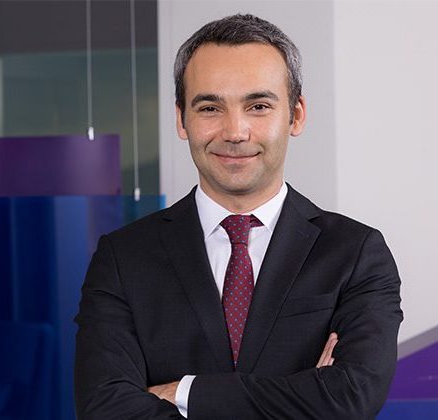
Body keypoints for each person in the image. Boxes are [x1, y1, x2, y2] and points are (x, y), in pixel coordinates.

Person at [74, 13, 402, 419]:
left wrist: (186, 392)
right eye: (210, 107)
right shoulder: (123, 258)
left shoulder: (356, 254)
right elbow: (105, 408)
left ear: (296, 115)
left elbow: (348, 398)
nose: (235, 131)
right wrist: (305, 397)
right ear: (181, 119)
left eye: (258, 106)